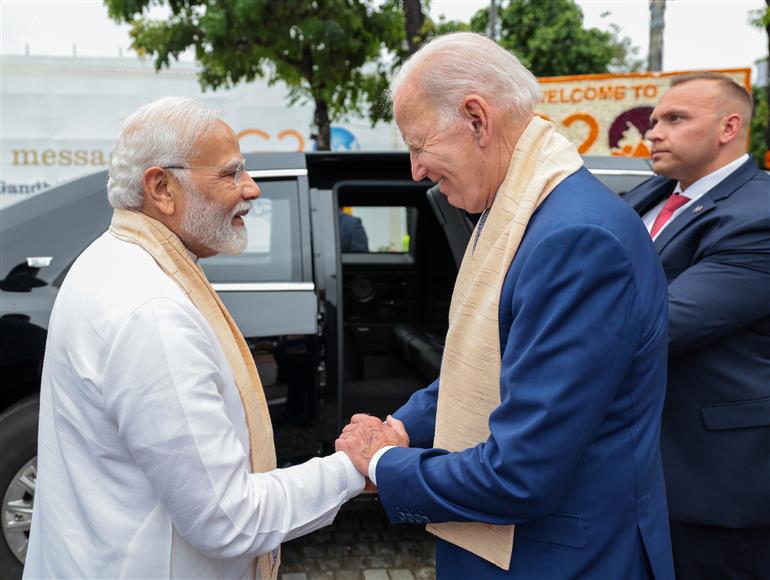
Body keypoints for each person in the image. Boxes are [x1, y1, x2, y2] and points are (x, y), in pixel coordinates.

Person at [336, 32, 675, 580]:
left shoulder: (576, 239)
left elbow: (524, 472)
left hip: (561, 558)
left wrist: (382, 464)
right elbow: (490, 363)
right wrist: (402, 427)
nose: (416, 170)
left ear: (477, 119)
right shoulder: (522, 212)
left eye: (419, 145)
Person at [24, 96, 364, 580]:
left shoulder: (109, 259)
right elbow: (227, 521)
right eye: (231, 174)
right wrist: (354, 468)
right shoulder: (152, 312)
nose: (251, 189)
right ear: (161, 187)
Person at [623, 73, 770, 580]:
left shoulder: (761, 213)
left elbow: (661, 327)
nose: (654, 132)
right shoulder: (648, 193)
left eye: (675, 119)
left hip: (714, 479)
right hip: (637, 465)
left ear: (729, 127)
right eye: (655, 120)